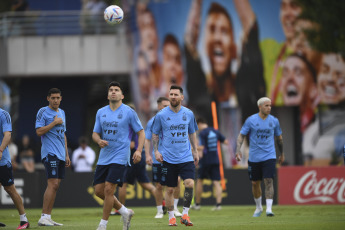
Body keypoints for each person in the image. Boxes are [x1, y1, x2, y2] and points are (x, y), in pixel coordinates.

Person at [92, 81, 145, 230]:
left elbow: (141, 132)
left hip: (121, 155)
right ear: (108, 95)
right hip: (104, 156)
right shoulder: (101, 112)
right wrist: (98, 140)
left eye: (116, 90)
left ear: (122, 95)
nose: (113, 92)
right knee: (99, 191)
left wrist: (139, 150)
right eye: (111, 90)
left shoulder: (129, 112)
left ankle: (103, 225)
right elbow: (95, 133)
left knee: (109, 189)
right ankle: (124, 211)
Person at [151, 85, 199, 226]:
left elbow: (192, 133)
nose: (173, 96)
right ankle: (171, 217)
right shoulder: (161, 115)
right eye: (171, 94)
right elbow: (155, 134)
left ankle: (185, 214)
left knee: (189, 183)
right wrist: (156, 151)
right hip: (168, 158)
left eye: (175, 94)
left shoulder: (188, 113)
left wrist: (195, 151)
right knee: (170, 188)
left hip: (185, 157)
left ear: (182, 97)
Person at [235, 97, 284, 217]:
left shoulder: (274, 121)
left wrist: (281, 153)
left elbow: (279, 138)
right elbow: (241, 135)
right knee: (255, 183)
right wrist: (238, 150)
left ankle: (269, 209)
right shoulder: (251, 120)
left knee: (268, 181)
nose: (269, 108)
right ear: (260, 107)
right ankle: (258, 208)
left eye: (270, 105)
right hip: (254, 158)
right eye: (266, 105)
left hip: (269, 156)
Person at [112, 104, 159, 218]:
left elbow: (132, 144)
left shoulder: (129, 125)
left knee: (122, 183)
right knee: (145, 184)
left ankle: (120, 209)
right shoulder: (136, 124)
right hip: (140, 155)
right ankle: (162, 203)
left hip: (133, 156)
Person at [36, 88, 70, 226]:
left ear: (61, 98)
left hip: (61, 154)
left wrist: (67, 154)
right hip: (50, 153)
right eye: (53, 98)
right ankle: (43, 216)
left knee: (56, 186)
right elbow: (38, 132)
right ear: (48, 98)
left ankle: (48, 217)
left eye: (58, 98)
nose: (56, 100)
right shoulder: (43, 112)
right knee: (53, 183)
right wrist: (53, 123)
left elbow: (63, 134)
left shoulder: (62, 112)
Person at [145, 96, 182, 218]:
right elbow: (147, 139)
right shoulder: (152, 121)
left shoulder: (175, 119)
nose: (168, 107)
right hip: (158, 159)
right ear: (159, 107)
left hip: (173, 158)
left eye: (169, 105)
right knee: (159, 185)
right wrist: (147, 154)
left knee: (176, 182)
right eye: (165, 106)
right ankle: (160, 210)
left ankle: (175, 208)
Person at [0, 108, 30, 229]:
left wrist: (1, 149)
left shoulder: (4, 114)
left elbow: (8, 135)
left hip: (2, 161)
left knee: (10, 190)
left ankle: (24, 220)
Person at [193, 118, 228, 211]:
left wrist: (193, 148)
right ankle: (218, 205)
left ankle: (197, 204)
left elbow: (202, 147)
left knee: (200, 180)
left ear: (200, 124)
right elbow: (226, 142)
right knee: (216, 182)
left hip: (206, 160)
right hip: (216, 159)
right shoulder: (215, 131)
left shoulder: (202, 133)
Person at [280, 53, 318, 132]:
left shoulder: (321, 128)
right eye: (285, 73)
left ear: (313, 90)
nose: (290, 78)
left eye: (298, 73)